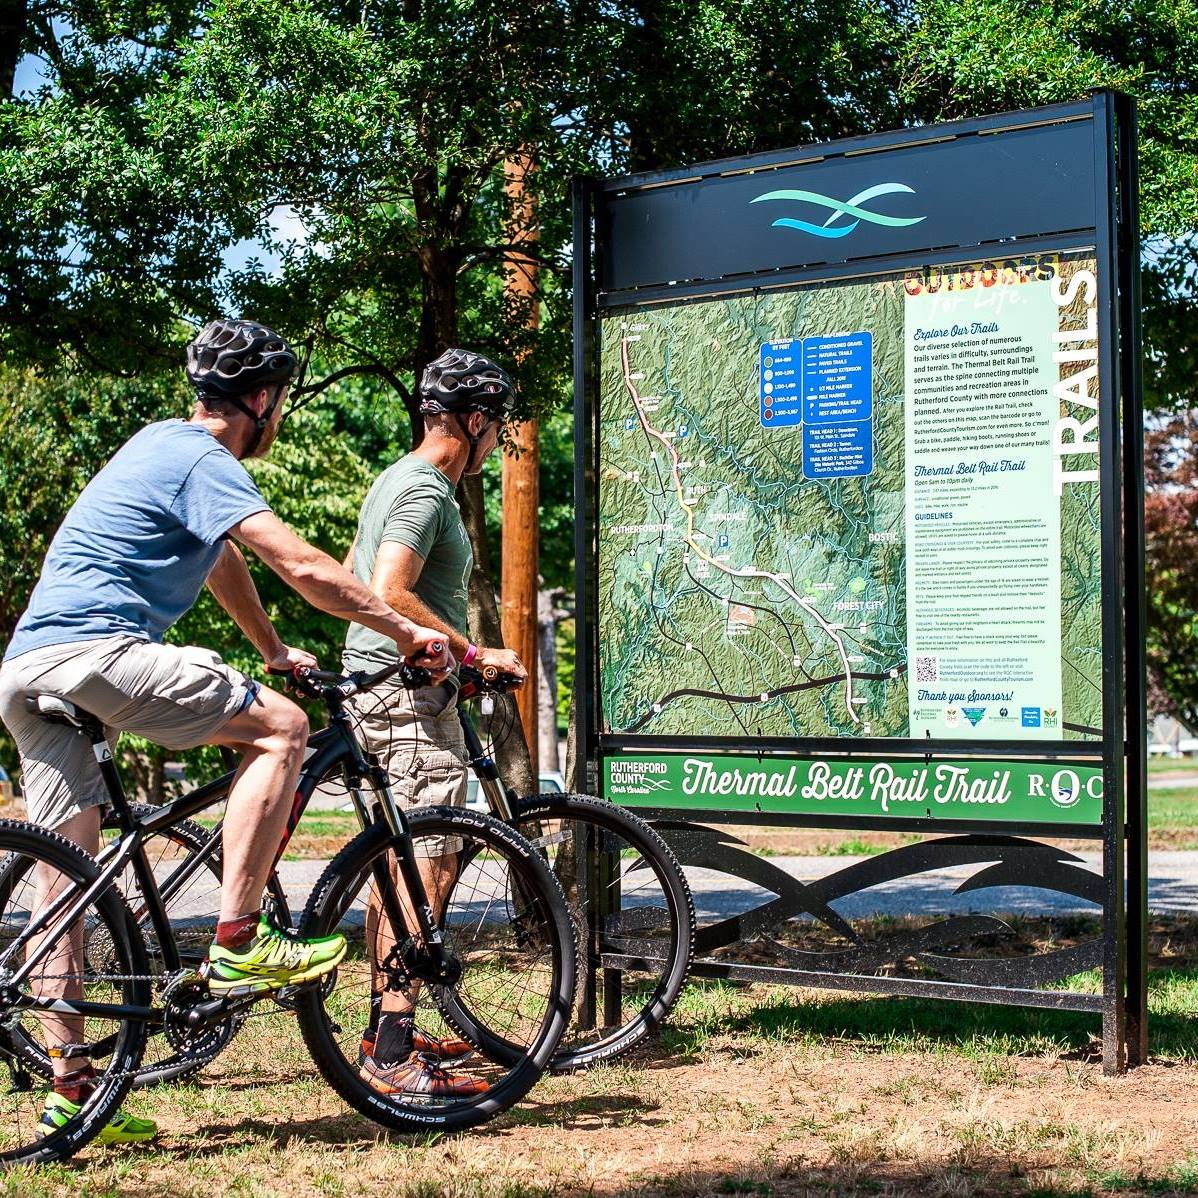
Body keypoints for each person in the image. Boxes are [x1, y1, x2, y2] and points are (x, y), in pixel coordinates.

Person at [0, 319, 451, 1144]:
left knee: (66, 876)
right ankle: (240, 938)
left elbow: (219, 557)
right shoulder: (207, 459)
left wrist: (271, 647)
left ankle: (72, 1090)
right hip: (99, 652)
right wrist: (407, 631)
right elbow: (303, 566)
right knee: (281, 728)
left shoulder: (157, 446)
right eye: (279, 404)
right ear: (262, 399)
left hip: (28, 668)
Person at [341, 348, 527, 1098]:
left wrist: (459, 662)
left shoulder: (402, 479)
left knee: (402, 857)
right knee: (433, 857)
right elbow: (391, 591)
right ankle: (391, 1048)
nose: (498, 441)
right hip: (404, 693)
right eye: (497, 426)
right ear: (476, 420)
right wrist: (474, 649)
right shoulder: (424, 490)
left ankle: (389, 1027)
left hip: (396, 685)